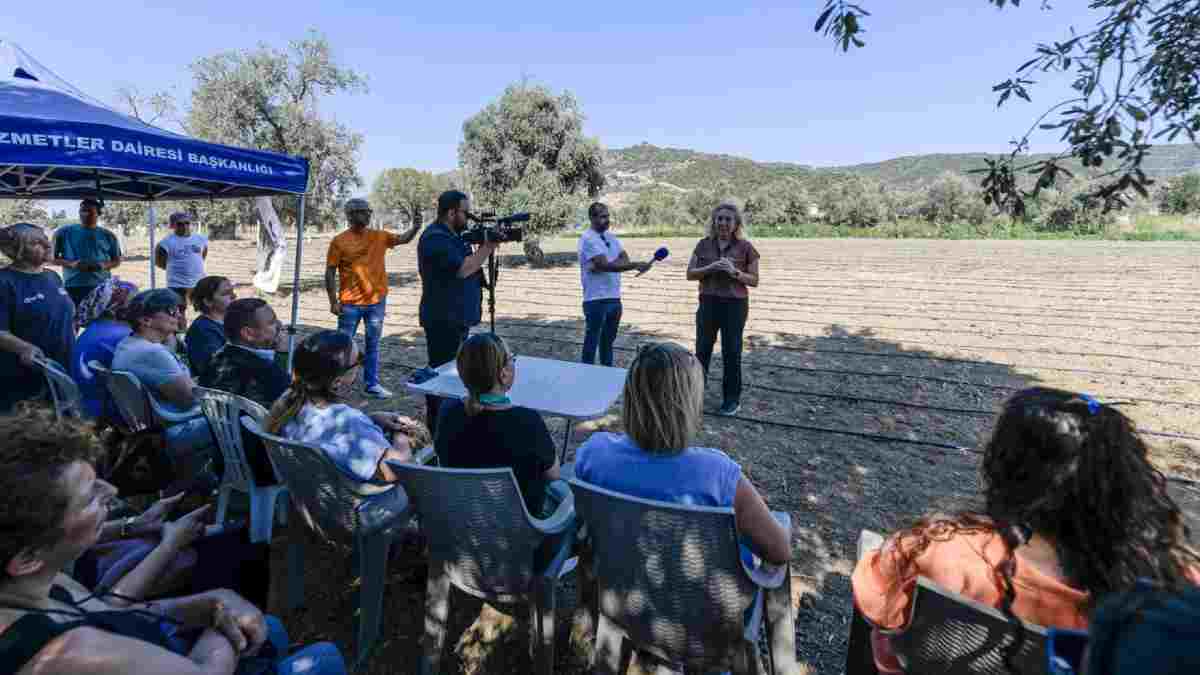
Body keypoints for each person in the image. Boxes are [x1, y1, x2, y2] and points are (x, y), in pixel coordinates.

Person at [852, 387, 1200, 675]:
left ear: (1006, 469)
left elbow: (875, 605)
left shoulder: (939, 551)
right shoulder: (1172, 590)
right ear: (1122, 484)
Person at [0, 406, 347, 675]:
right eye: (90, 496)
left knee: (271, 629)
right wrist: (222, 631)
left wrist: (203, 604)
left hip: (159, 638)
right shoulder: (71, 652)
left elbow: (104, 608)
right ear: (27, 557)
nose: (112, 491)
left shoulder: (33, 586)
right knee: (326, 657)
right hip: (194, 657)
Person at [574, 341, 791, 566]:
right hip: (700, 588)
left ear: (630, 396)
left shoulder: (593, 453)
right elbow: (779, 552)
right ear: (688, 404)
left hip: (616, 581)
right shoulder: (717, 473)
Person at [266, 330, 429, 483]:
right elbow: (392, 471)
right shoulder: (350, 422)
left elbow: (334, 433)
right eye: (359, 360)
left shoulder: (290, 400)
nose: (361, 364)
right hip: (365, 501)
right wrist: (402, 433)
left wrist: (371, 419)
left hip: (310, 493)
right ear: (337, 381)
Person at [436, 333, 561, 516]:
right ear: (503, 374)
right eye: (511, 359)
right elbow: (553, 475)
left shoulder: (448, 411)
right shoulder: (527, 421)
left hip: (464, 517)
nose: (513, 363)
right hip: (521, 526)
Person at [112, 289, 217, 481]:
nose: (178, 314)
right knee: (245, 419)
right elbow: (190, 399)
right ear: (146, 320)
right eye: (170, 310)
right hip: (173, 430)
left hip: (150, 430)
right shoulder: (153, 353)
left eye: (178, 309)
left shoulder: (128, 344)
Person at [417, 190, 498, 435]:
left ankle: (450, 422)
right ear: (451, 213)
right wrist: (488, 246)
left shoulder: (454, 236)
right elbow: (463, 269)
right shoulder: (435, 238)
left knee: (455, 375)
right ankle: (438, 428)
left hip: (456, 318)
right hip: (443, 319)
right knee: (442, 377)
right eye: (466, 212)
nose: (469, 217)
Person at [325, 197, 420, 400]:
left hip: (376, 301)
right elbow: (330, 272)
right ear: (351, 215)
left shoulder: (379, 236)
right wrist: (333, 301)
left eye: (369, 211)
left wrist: (416, 227)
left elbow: (403, 239)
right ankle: (334, 383)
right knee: (342, 345)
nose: (368, 215)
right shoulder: (339, 241)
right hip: (349, 304)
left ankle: (371, 384)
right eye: (363, 211)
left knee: (373, 344)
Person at [686, 201, 759, 416]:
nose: (723, 223)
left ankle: (731, 400)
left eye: (728, 219)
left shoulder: (746, 247)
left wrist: (734, 272)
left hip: (735, 306)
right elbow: (690, 274)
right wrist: (710, 268)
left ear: (736, 223)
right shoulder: (703, 245)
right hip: (708, 303)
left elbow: (754, 280)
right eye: (719, 219)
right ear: (714, 221)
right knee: (702, 350)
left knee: (732, 351)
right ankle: (695, 396)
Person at [0, 223, 76, 413]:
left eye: (45, 239)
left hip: (61, 368)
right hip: (24, 376)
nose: (47, 245)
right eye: (35, 243)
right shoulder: (5, 282)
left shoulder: (52, 276)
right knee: (29, 426)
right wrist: (24, 347)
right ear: (15, 251)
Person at [577, 202, 651, 367]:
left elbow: (623, 258)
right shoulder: (587, 239)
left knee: (608, 343)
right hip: (595, 299)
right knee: (591, 343)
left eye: (608, 216)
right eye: (603, 217)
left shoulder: (611, 237)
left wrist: (608, 264)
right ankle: (585, 375)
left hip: (614, 298)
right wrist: (628, 265)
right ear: (592, 218)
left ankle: (607, 374)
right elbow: (605, 264)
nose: (607, 220)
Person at [200, 298, 289, 410]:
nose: (279, 325)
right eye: (271, 322)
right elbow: (294, 404)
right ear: (248, 334)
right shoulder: (266, 371)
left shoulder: (213, 361)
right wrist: (282, 354)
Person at [70, 277, 139, 419]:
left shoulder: (97, 328)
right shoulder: (121, 335)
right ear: (118, 309)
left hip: (84, 401)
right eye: (135, 305)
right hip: (104, 409)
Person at [52, 198, 123, 306]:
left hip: (101, 286)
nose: (85, 214)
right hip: (73, 285)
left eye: (90, 211)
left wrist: (102, 265)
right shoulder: (63, 233)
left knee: (100, 315)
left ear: (98, 214)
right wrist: (72, 264)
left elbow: (117, 260)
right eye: (82, 211)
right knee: (75, 314)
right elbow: (52, 258)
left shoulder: (108, 235)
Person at [186, 276, 236, 380]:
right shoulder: (202, 330)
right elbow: (215, 369)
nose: (234, 296)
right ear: (208, 301)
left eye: (232, 291)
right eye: (226, 293)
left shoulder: (230, 322)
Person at [155, 212, 208, 305]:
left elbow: (202, 256)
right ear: (172, 226)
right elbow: (160, 263)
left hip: (198, 282)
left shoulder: (201, 239)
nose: (184, 226)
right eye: (180, 224)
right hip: (177, 285)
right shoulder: (166, 243)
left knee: (201, 307)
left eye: (187, 223)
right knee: (178, 310)